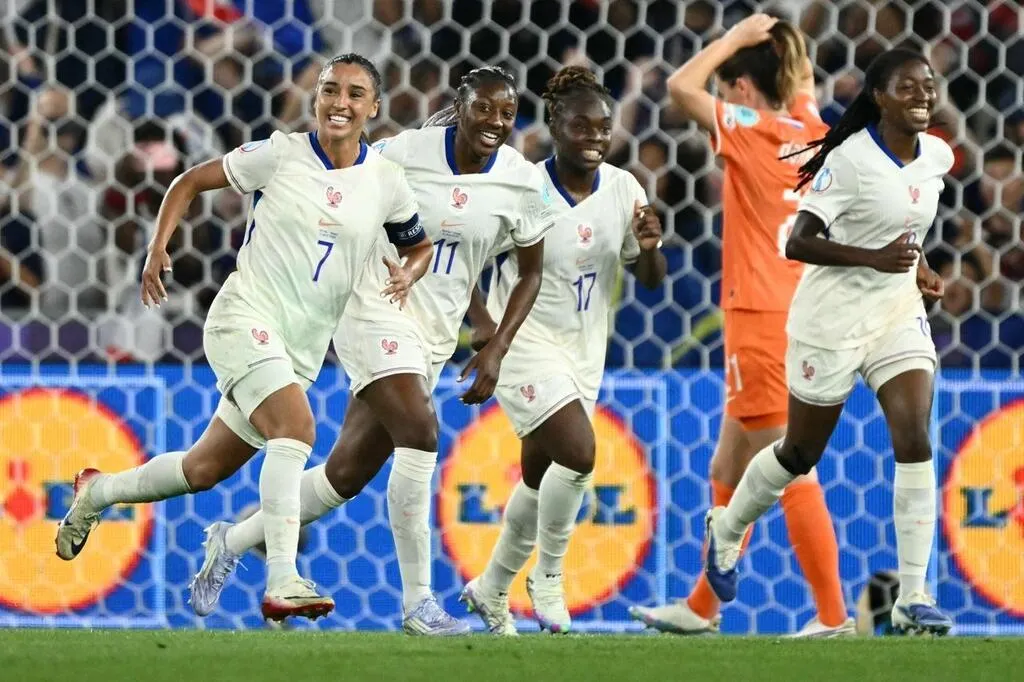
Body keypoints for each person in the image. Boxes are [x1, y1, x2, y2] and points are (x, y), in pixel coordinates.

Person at [54, 54, 433, 623]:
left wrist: (409, 271)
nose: (340, 103)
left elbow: (417, 243)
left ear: (373, 107)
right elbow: (188, 181)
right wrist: (158, 247)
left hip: (299, 347)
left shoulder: (386, 180)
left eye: (355, 94)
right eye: (330, 90)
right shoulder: (279, 154)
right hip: (243, 318)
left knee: (203, 469)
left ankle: (98, 491)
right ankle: (283, 579)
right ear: (316, 98)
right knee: (297, 429)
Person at [187, 66, 553, 635]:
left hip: (434, 334)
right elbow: (342, 182)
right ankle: (419, 604)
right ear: (458, 108)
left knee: (345, 475)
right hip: (373, 307)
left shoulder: (520, 181)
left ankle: (231, 541)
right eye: (482, 108)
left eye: (506, 113)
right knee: (421, 432)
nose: (494, 121)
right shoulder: (403, 152)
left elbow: (520, 268)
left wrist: (493, 339)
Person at [702, 47, 954, 636]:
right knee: (799, 453)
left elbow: (905, 225)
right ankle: (728, 529)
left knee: (914, 436)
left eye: (928, 85)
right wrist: (873, 258)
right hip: (830, 320)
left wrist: (919, 267)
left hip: (895, 312)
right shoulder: (848, 160)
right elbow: (799, 242)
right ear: (879, 97)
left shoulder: (937, 156)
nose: (922, 95)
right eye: (907, 87)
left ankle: (913, 595)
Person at [629, 14, 851, 637]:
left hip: (758, 315)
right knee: (730, 462)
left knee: (791, 467)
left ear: (744, 91)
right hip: (802, 311)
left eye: (728, 91)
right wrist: (781, 40)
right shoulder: (813, 130)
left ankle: (833, 617)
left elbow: (680, 87)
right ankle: (703, 607)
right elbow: (801, 80)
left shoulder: (752, 128)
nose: (722, 104)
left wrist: (732, 41)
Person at [459, 65, 667, 635]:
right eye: (581, 126)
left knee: (538, 475)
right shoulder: (522, 188)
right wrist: (484, 326)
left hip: (584, 350)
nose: (595, 137)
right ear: (554, 125)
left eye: (603, 127)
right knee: (579, 453)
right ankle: (549, 577)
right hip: (522, 342)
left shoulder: (624, 188)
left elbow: (650, 279)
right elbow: (465, 257)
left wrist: (651, 248)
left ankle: (491, 587)